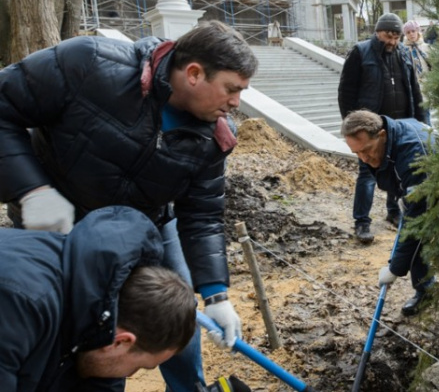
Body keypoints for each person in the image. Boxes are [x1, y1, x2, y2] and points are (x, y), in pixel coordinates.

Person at [0, 20, 256, 391]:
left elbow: (201, 217)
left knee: (167, 323)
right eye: (232, 90)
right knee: (66, 331)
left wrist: (215, 292)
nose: (236, 103)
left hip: (141, 231)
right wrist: (32, 190)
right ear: (195, 74)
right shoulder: (89, 63)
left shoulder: (214, 138)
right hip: (55, 221)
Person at [0, 206, 196, 391]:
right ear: (120, 342)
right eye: (139, 367)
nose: (130, 373)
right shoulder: (20, 305)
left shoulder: (95, 303)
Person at [338, 13, 427, 243]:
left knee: (397, 173)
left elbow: (414, 89)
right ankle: (362, 222)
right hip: (370, 130)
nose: (393, 41)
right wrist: (352, 128)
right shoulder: (361, 52)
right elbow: (346, 92)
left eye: (397, 37)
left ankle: (394, 212)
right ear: (378, 32)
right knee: (367, 174)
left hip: (399, 127)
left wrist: (420, 122)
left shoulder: (404, 53)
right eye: (389, 36)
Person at [341, 110, 435, 316]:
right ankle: (426, 291)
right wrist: (406, 195)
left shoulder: (413, 154)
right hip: (425, 186)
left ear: (381, 135)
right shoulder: (385, 142)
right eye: (357, 153)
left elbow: (417, 222)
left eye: (366, 150)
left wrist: (395, 269)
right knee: (415, 244)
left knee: (423, 238)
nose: (363, 159)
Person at [403, 20, 433, 122]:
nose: (411, 34)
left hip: (425, 86)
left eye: (413, 31)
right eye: (408, 32)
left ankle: (428, 136)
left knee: (426, 114)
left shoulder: (426, 48)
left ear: (418, 31)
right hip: (411, 87)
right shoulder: (403, 49)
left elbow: (434, 66)